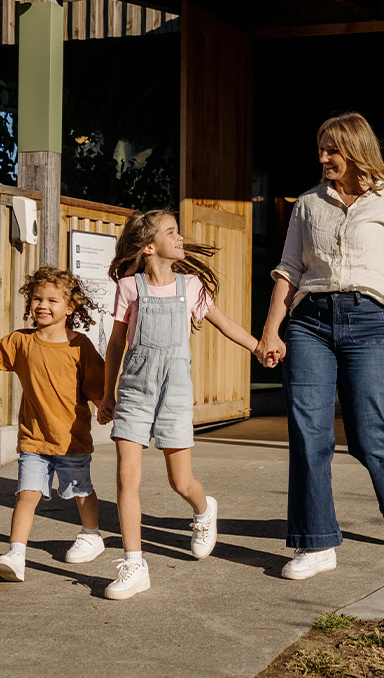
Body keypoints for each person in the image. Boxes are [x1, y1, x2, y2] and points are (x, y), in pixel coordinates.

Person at [255, 111, 384, 581]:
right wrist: (271, 330)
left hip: (372, 321)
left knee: (370, 433)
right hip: (310, 323)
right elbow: (288, 271)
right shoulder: (308, 204)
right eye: (320, 149)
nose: (323, 158)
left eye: (331, 150)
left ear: (356, 150)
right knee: (308, 433)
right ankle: (316, 544)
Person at [96, 210, 260, 600]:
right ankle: (134, 564)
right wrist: (108, 393)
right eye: (172, 232)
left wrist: (259, 347)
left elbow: (222, 322)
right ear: (150, 246)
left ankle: (203, 511)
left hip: (175, 394)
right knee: (126, 478)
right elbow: (117, 343)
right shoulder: (129, 287)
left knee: (180, 481)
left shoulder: (192, 286)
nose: (181, 237)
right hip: (135, 392)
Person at [0, 266, 108, 582]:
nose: (42, 305)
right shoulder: (21, 341)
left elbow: (96, 387)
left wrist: (103, 407)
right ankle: (16, 554)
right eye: (36, 298)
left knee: (80, 491)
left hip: (71, 440)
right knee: (26, 494)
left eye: (52, 300)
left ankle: (91, 535)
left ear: (70, 307)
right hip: (34, 440)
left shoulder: (80, 346)